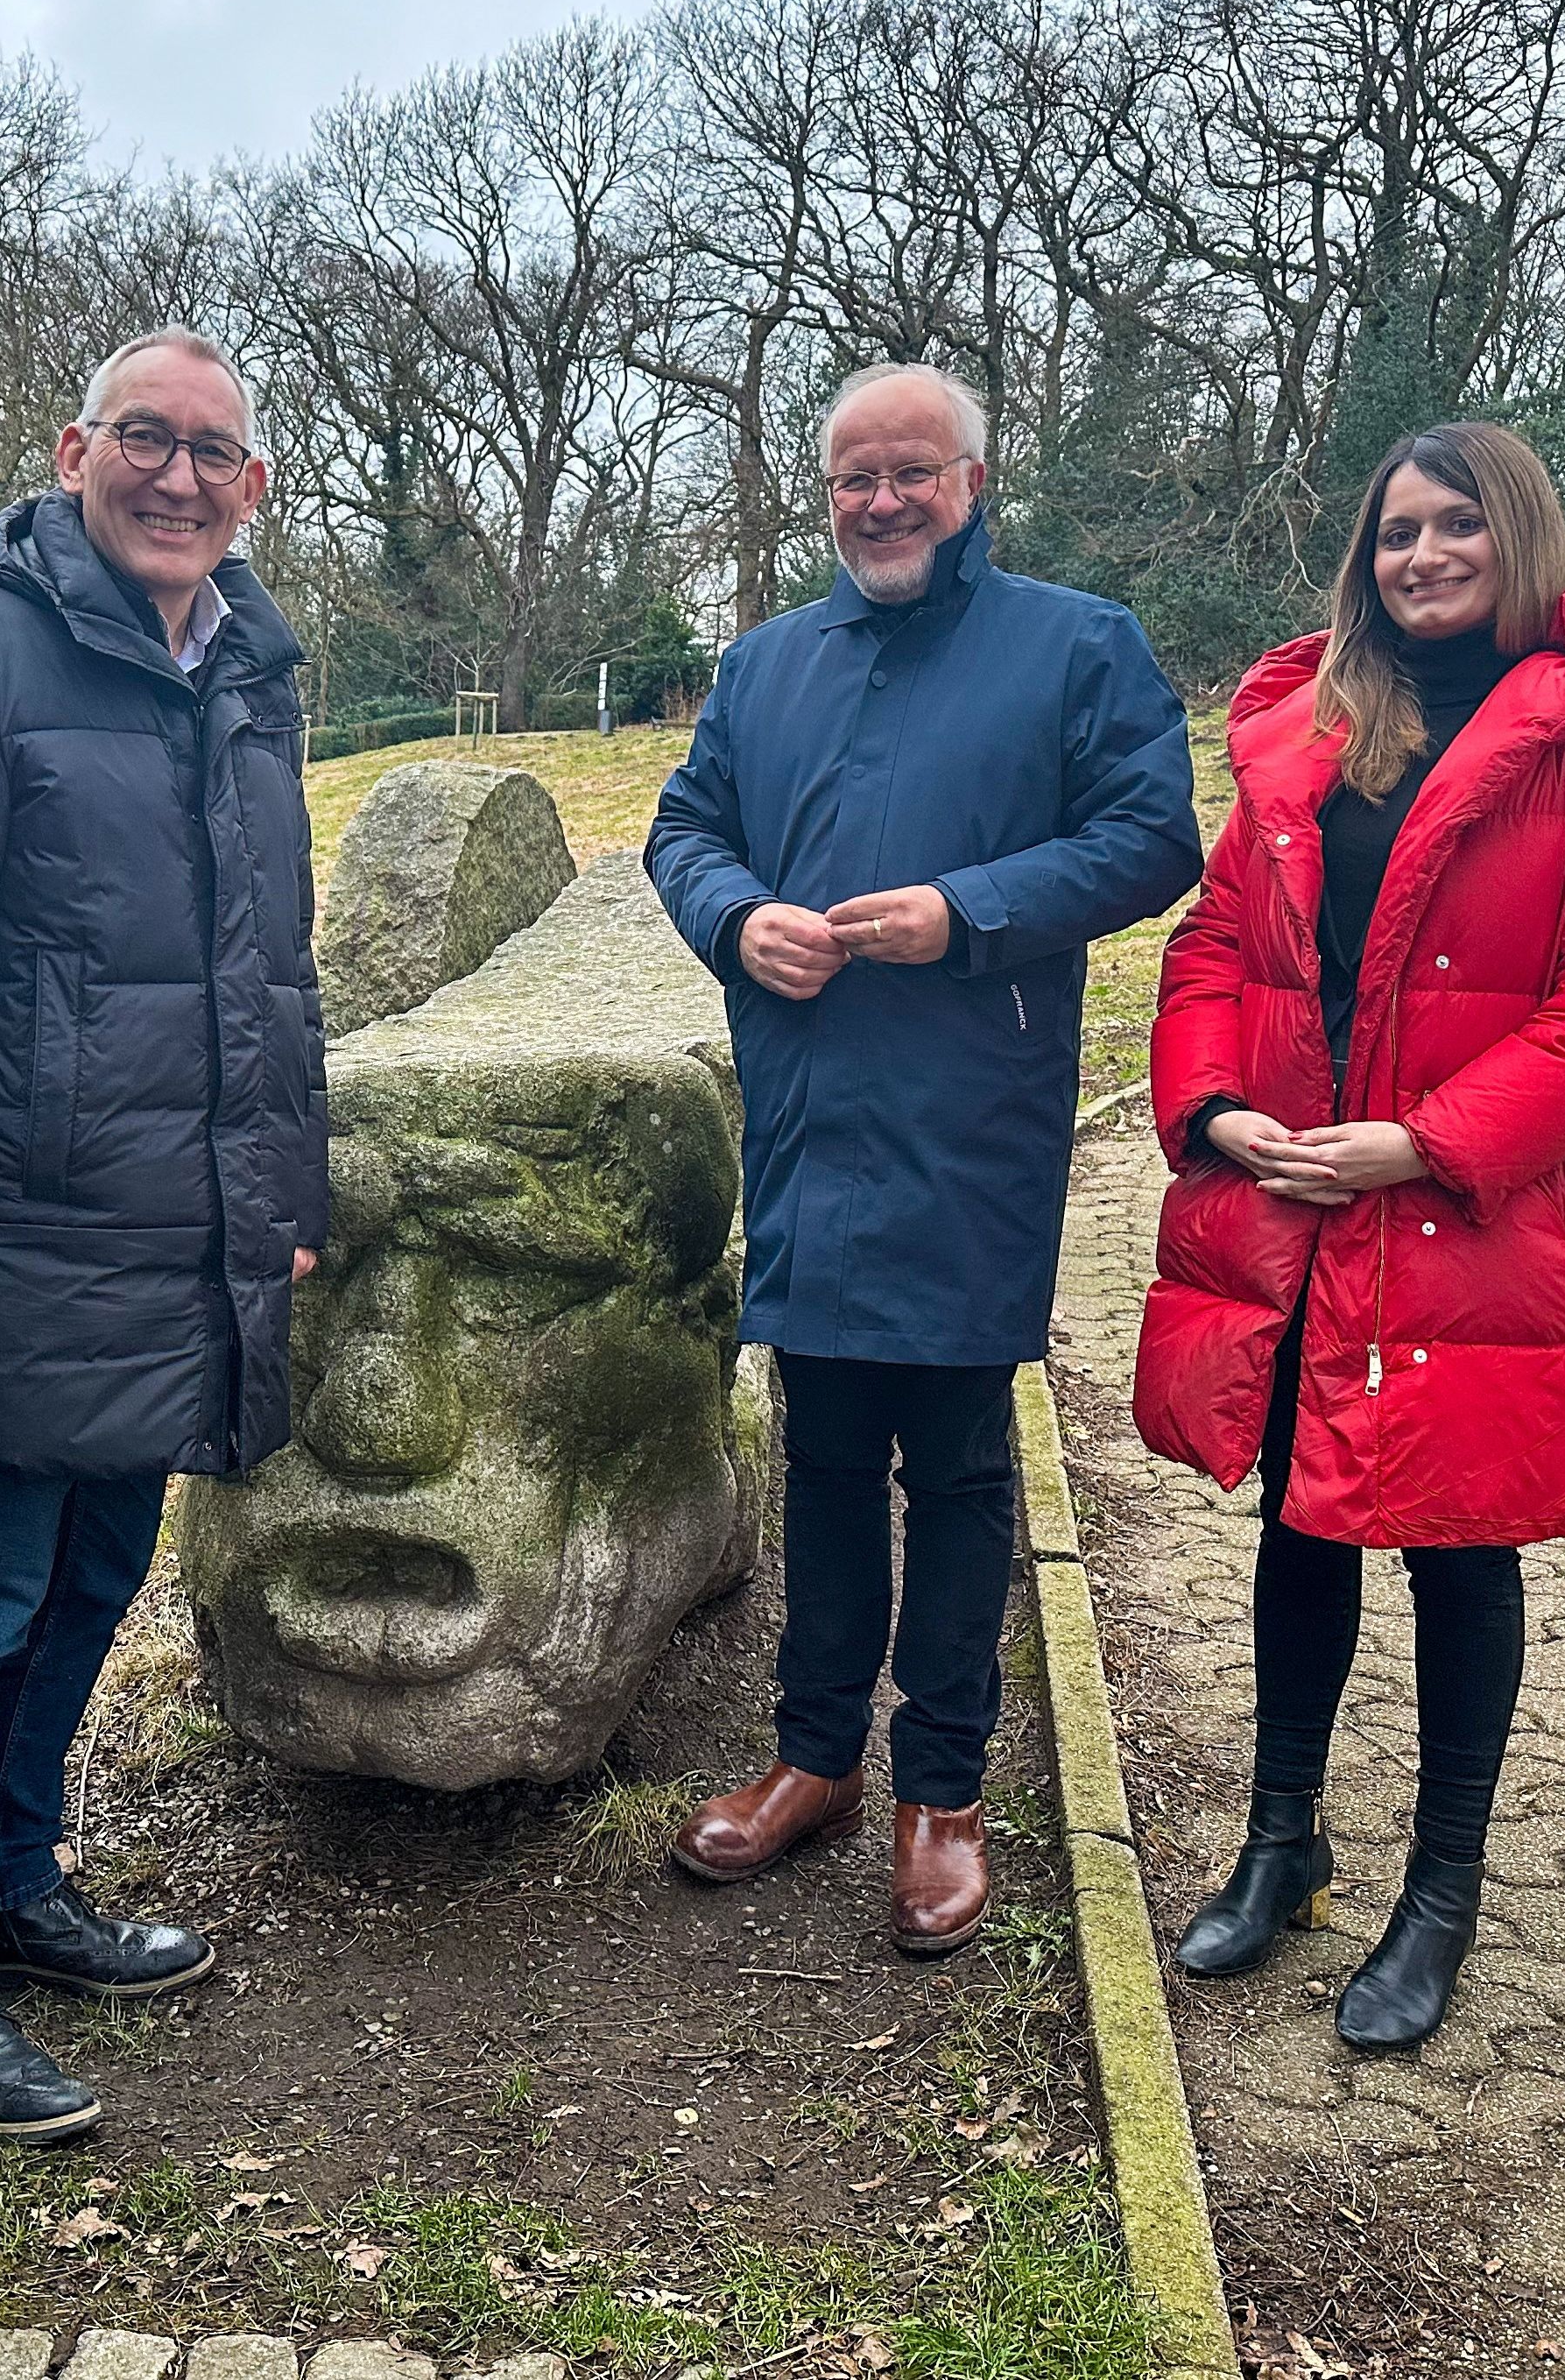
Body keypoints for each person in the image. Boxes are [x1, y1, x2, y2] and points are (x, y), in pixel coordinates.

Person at [1133, 420, 1565, 2052]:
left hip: (1472, 1211)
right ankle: (1282, 1838)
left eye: (1455, 525)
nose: (1423, 555)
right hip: (1306, 1194)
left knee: (1459, 1544)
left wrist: (1429, 1141)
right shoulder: (1316, 729)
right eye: (1396, 532)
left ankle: (1438, 1892)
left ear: (1514, 535)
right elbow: (1215, 944)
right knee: (1302, 1523)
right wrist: (1212, 1109)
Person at [0, 327, 325, 2142]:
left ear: (253, 486)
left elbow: (275, 978)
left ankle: (20, 1882)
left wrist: (284, 1209)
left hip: (186, 1232)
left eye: (214, 450)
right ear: (73, 449)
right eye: (146, 438)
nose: (179, 476)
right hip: (27, 1235)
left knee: (97, 1580)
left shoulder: (254, 676)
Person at [645, 361, 1203, 1953]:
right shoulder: (761, 667)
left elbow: (1152, 834)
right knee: (820, 1458)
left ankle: (940, 1792)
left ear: (972, 481)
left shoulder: (1075, 643)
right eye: (851, 480)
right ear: (823, 496)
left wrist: (969, 910)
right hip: (812, 1115)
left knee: (958, 1473)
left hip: (973, 1121)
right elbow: (683, 832)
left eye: (911, 474)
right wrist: (731, 917)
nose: (880, 503)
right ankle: (812, 1756)